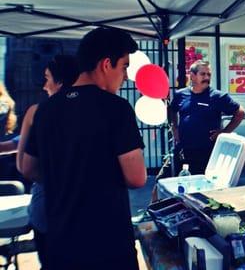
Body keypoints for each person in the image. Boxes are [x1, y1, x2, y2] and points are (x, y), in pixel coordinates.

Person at [21, 27, 147, 270]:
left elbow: (28, 168)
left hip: (59, 243)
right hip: (108, 244)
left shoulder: (46, 109)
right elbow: (137, 178)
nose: (125, 76)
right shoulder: (116, 109)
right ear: (106, 64)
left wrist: (66, 176)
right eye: (124, 67)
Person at [15, 55, 79, 269]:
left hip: (48, 204)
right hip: (85, 205)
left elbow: (24, 166)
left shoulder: (37, 112)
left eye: (47, 78)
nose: (44, 86)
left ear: (60, 81)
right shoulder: (93, 110)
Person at [169, 60, 245, 175]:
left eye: (209, 74)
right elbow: (172, 110)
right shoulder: (180, 95)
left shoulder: (218, 96)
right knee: (176, 183)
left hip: (207, 152)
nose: (206, 77)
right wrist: (174, 127)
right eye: (203, 74)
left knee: (203, 188)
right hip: (183, 149)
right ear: (192, 76)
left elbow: (240, 113)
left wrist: (224, 132)